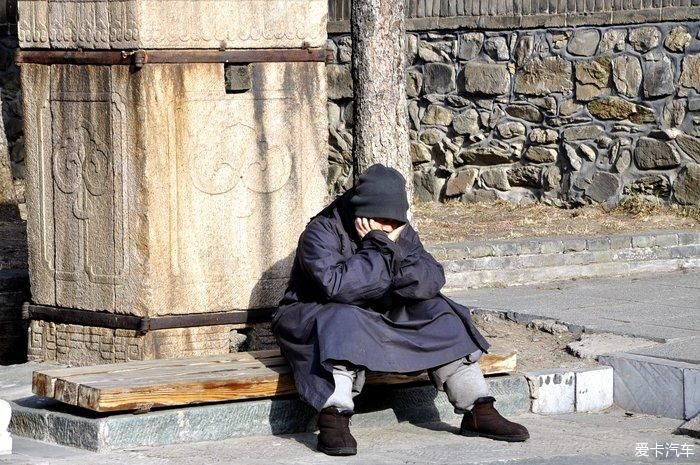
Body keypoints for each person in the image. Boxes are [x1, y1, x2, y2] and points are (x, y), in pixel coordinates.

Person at [271, 164, 529, 456]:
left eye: (395, 223)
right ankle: (334, 416)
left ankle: (478, 408)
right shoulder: (321, 231)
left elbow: (430, 280)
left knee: (440, 311)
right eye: (382, 222)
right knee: (342, 318)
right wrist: (379, 248)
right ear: (361, 214)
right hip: (313, 316)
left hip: (375, 316)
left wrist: (390, 248)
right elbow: (340, 289)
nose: (390, 229)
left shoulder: (396, 229)